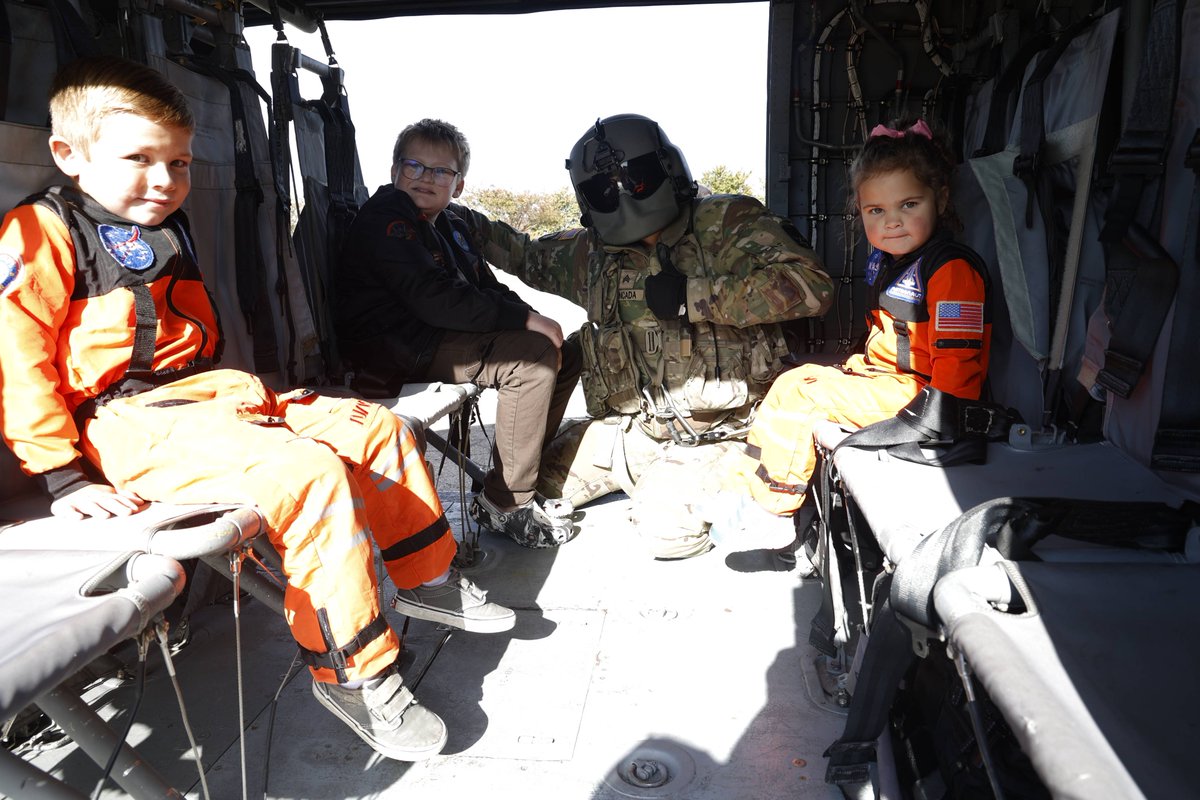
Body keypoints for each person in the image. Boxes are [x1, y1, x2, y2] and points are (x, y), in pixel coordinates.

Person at [0, 56, 513, 762]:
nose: (165, 179)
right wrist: (62, 476)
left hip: (214, 397)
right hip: (127, 419)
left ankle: (427, 579)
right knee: (308, 476)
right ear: (70, 155)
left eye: (179, 163)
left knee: (381, 429)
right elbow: (17, 357)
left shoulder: (166, 227)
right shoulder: (43, 231)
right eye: (140, 159)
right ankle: (356, 675)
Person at [463, 113, 836, 559]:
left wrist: (695, 297)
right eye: (605, 188)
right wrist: (450, 212)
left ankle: (726, 485)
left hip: (724, 436)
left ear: (667, 168)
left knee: (667, 532)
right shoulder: (591, 254)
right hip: (636, 435)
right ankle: (657, 479)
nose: (622, 193)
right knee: (519, 487)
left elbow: (812, 287)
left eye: (635, 179)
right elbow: (523, 253)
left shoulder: (726, 222)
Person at [713, 118, 992, 546]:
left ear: (940, 199)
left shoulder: (951, 270)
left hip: (925, 400)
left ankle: (772, 507)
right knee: (793, 378)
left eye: (909, 205)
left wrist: (939, 428)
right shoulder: (889, 262)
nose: (892, 222)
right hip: (888, 381)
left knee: (800, 392)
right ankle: (741, 488)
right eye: (875, 211)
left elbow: (959, 364)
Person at [335, 119, 582, 550]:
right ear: (395, 172)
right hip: (396, 347)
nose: (426, 178)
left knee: (566, 351)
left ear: (459, 184)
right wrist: (525, 324)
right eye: (415, 166)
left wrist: (533, 315)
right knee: (531, 361)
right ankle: (505, 503)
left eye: (441, 171)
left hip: (433, 336)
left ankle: (521, 476)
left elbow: (484, 285)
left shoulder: (449, 225)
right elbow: (432, 298)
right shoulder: (387, 217)